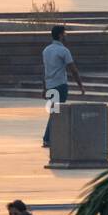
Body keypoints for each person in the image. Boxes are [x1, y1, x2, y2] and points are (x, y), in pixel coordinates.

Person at [42, 24, 86, 155]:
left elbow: (45, 70)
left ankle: (50, 138)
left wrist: (44, 88)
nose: (66, 36)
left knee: (54, 111)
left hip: (50, 85)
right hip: (60, 85)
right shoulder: (64, 51)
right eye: (65, 34)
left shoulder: (46, 50)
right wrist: (80, 86)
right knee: (56, 112)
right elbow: (73, 69)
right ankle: (48, 138)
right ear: (60, 35)